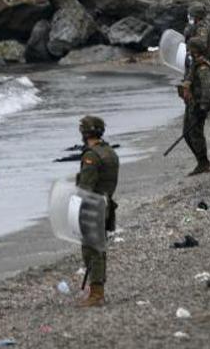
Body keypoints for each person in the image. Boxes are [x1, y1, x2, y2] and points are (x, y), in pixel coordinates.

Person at [75, 116, 119, 307]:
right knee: (98, 248)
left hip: (93, 206)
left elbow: (85, 187)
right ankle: (97, 290)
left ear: (85, 133)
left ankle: (96, 293)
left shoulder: (91, 155)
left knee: (92, 250)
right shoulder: (109, 152)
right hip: (106, 202)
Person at [178, 37, 210, 176]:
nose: (188, 51)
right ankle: (201, 161)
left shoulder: (203, 67)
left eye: (190, 49)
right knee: (187, 134)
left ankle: (203, 162)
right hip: (191, 103)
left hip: (198, 105)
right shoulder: (194, 64)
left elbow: (206, 88)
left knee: (195, 134)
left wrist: (204, 106)